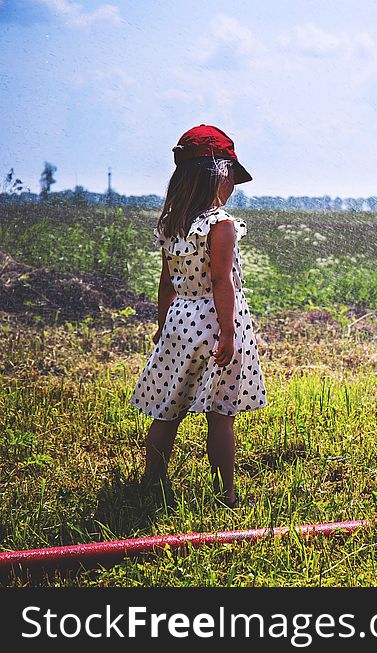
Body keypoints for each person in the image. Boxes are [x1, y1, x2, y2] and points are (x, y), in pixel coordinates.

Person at [129, 125, 267, 508]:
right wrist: (227, 333)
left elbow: (165, 283)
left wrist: (162, 327)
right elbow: (222, 281)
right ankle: (227, 493)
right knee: (221, 413)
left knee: (167, 409)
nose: (232, 187)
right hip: (214, 323)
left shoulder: (172, 224)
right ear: (219, 176)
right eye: (231, 178)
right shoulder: (220, 224)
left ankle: (150, 482)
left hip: (179, 321)